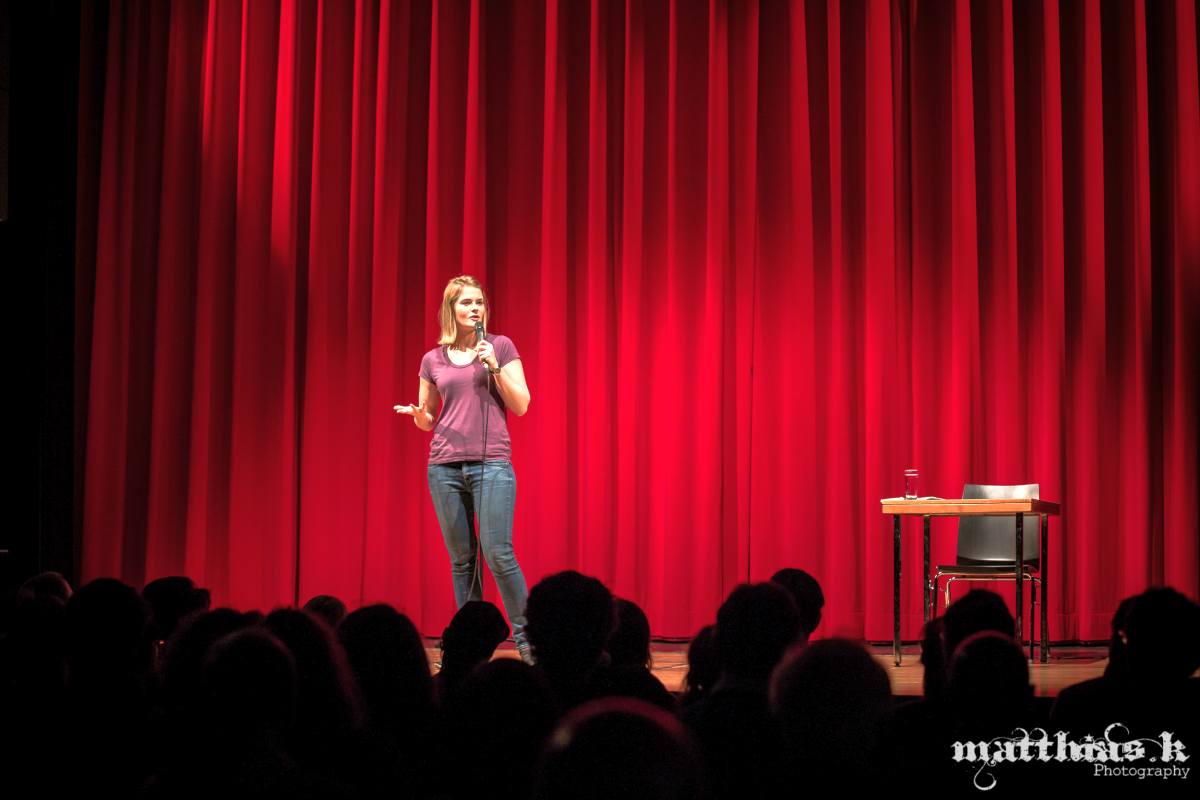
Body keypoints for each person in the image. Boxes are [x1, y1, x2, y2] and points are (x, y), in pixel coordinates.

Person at [394, 275, 533, 663]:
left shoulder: (500, 347)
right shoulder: (432, 359)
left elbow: (521, 405)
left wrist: (495, 367)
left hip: (492, 464)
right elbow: (428, 418)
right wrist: (420, 416)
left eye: (479, 302)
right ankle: (470, 649)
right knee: (462, 561)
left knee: (498, 554)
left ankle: (528, 641)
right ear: (450, 309)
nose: (475, 309)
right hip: (444, 467)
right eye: (466, 302)